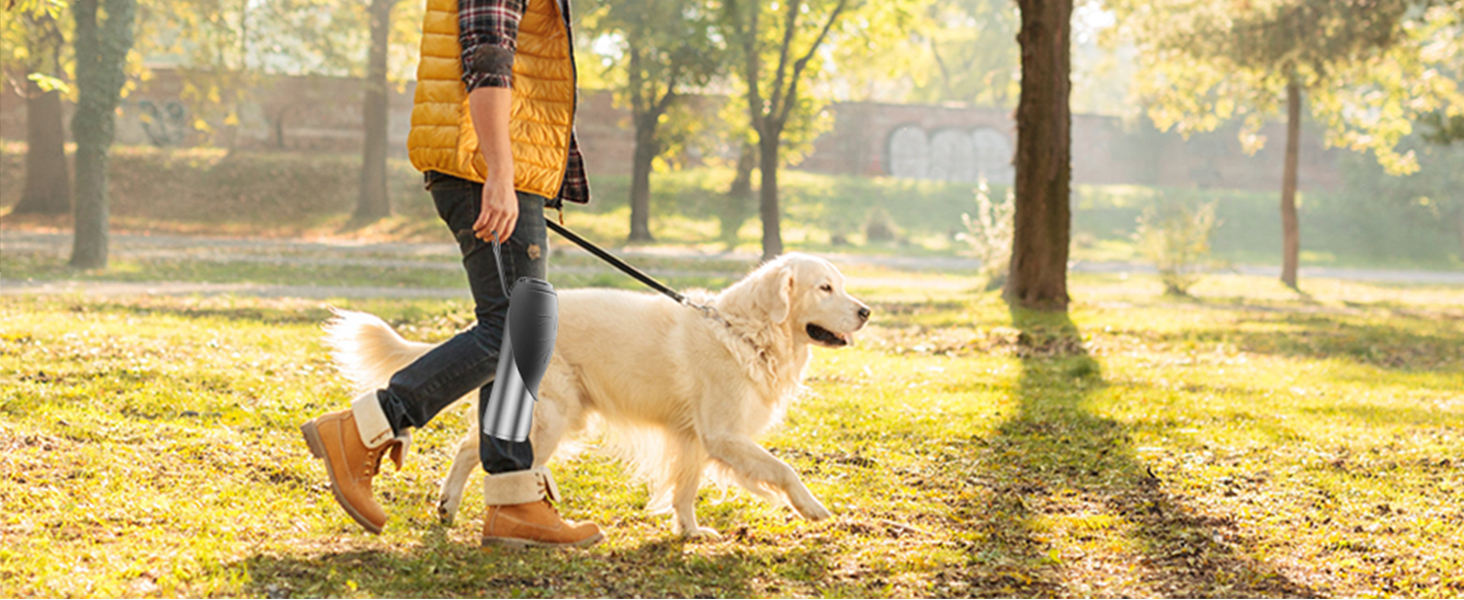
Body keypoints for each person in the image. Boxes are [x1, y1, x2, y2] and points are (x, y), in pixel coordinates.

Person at [298, 0, 602, 548]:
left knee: (523, 335)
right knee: (515, 328)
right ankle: (367, 425)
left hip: (500, 168)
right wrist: (501, 175)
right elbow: (487, 59)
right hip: (485, 168)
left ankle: (514, 500)